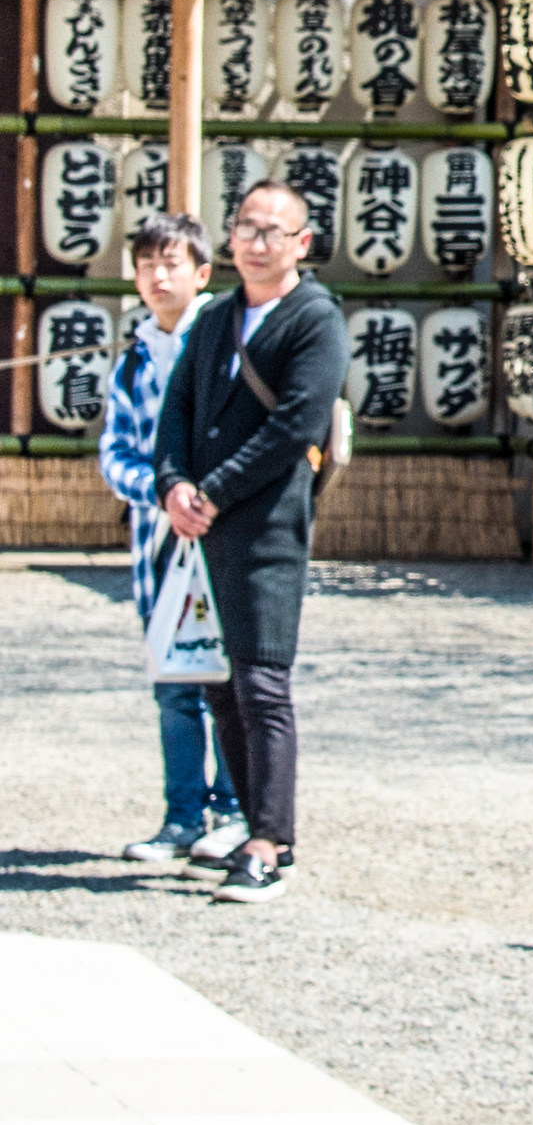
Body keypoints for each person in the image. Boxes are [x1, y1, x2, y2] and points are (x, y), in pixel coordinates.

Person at [153, 179, 348, 905]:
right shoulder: (215, 320)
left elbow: (294, 425)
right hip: (197, 526)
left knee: (263, 682)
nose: (256, 242)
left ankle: (270, 839)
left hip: (265, 525)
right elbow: (178, 408)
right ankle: (244, 823)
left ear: (301, 243)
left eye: (273, 231)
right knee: (217, 684)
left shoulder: (314, 319)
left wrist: (215, 490)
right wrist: (172, 483)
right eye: (245, 228)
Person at [100, 211, 242, 865]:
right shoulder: (132, 361)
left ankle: (235, 810)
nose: (159, 276)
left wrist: (201, 492)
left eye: (172, 263)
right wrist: (161, 490)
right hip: (158, 546)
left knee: (228, 679)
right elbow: (115, 452)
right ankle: (182, 812)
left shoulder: (224, 342)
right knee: (173, 684)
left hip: (219, 533)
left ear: (202, 272)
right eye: (147, 264)